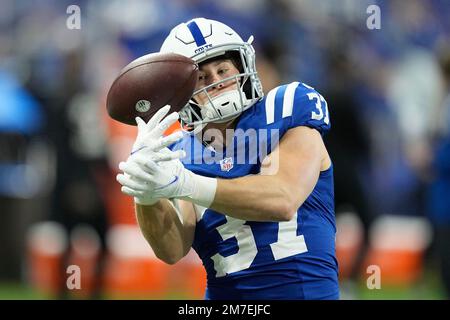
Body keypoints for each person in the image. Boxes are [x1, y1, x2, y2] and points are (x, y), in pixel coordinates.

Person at [116, 17, 339, 300]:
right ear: (182, 93)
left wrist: (185, 183)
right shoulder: (181, 151)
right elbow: (172, 249)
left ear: (243, 66)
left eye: (223, 69)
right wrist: (146, 191)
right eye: (202, 77)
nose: (218, 82)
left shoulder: (286, 109)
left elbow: (282, 199)